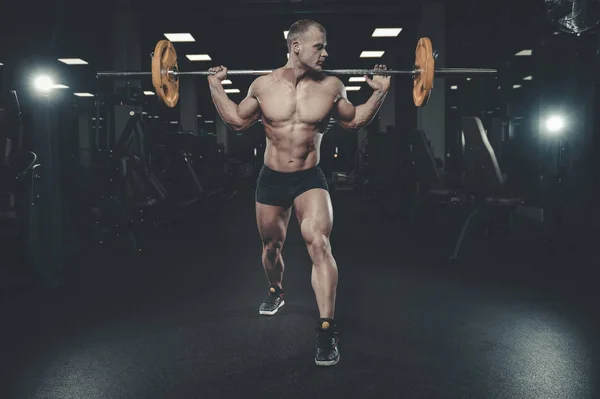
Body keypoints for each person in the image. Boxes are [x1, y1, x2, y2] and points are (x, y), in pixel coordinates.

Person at [207, 19, 391, 367]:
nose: (326, 52)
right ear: (296, 47)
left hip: (310, 177)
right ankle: (276, 291)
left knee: (319, 242)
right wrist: (215, 86)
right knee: (271, 247)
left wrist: (379, 92)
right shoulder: (263, 85)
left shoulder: (332, 85)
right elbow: (235, 120)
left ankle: (326, 329)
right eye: (319, 46)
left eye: (325, 46)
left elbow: (353, 121)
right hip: (272, 178)